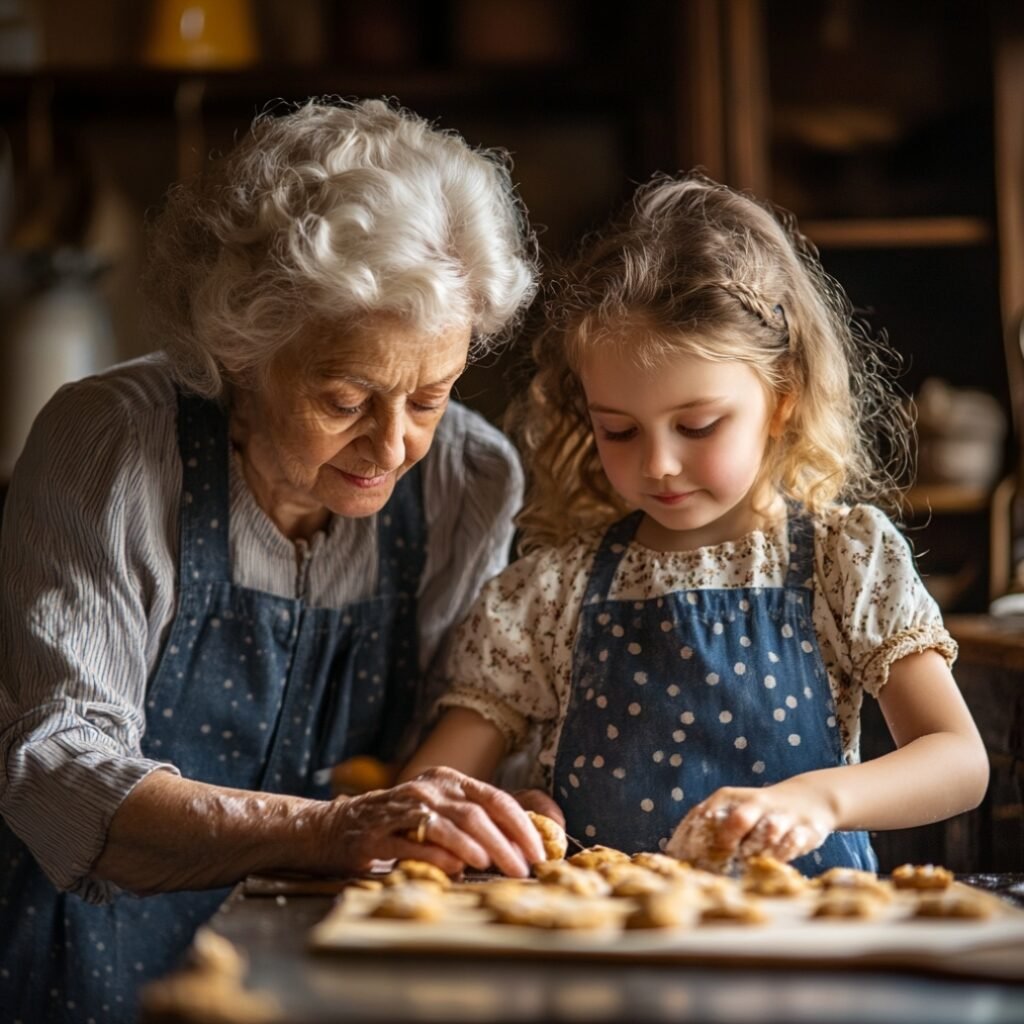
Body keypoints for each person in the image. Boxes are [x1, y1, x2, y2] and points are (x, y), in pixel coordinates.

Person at [0, 98, 548, 1024]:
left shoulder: (469, 474)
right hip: (89, 969)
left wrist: (515, 803)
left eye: (431, 394)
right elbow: (56, 769)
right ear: (242, 352)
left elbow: (469, 728)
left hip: (337, 974)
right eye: (346, 397)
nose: (392, 444)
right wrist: (334, 828)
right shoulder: (115, 447)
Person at [401, 171, 990, 874]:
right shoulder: (547, 596)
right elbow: (428, 800)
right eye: (618, 431)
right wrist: (506, 813)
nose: (660, 465)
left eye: (698, 425)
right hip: (610, 960)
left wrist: (820, 801)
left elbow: (959, 761)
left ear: (781, 400)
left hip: (810, 952)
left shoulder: (843, 561)